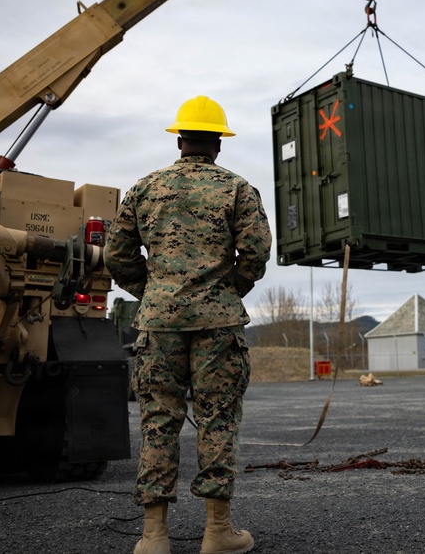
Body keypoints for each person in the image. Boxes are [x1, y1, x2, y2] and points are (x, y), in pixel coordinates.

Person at [104, 96, 272, 554]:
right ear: (218, 143)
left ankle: (153, 537)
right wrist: (225, 291)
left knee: (159, 420)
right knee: (218, 419)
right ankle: (218, 534)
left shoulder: (144, 188)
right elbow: (256, 252)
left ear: (179, 140)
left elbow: (116, 255)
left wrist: (154, 293)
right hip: (218, 326)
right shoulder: (237, 189)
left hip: (158, 325)